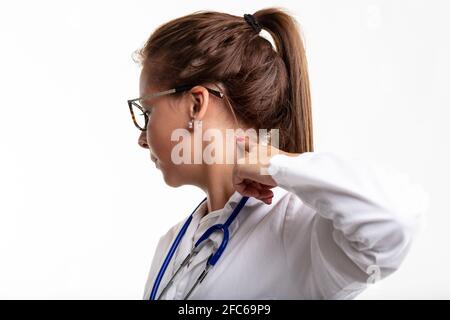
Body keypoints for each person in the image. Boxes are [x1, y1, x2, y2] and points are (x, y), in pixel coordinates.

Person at [127, 8, 427, 299]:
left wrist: (277, 164)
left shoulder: (301, 232)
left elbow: (395, 217)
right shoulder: (171, 246)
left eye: (147, 112)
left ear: (195, 104)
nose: (142, 139)